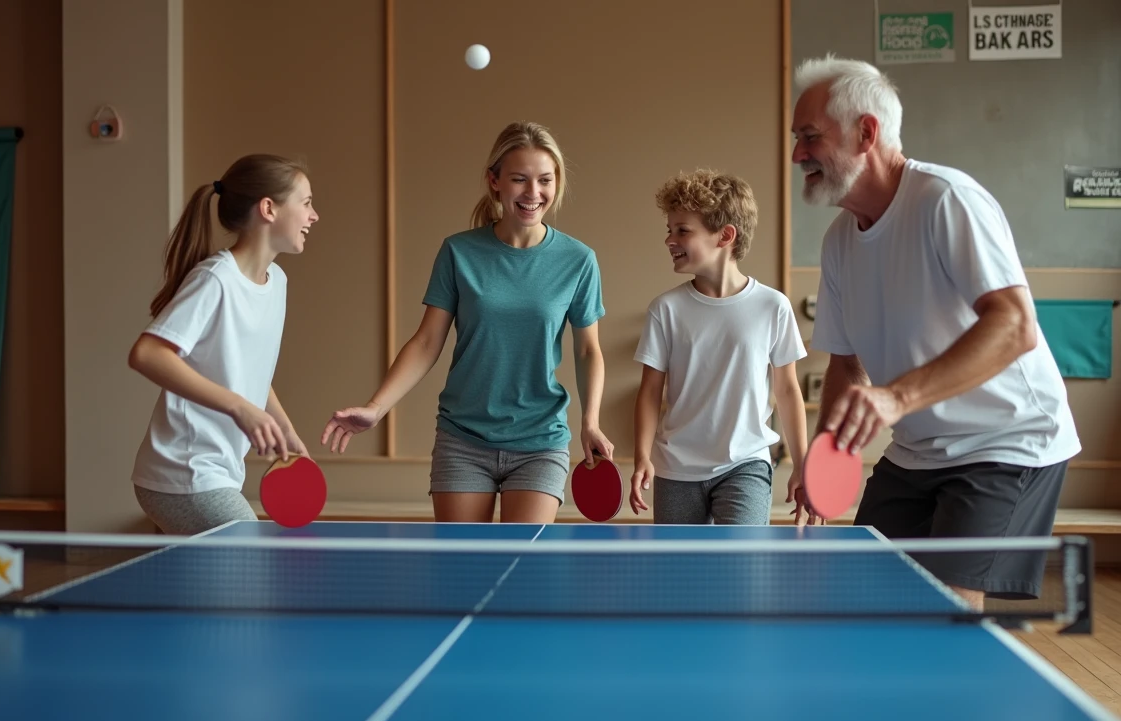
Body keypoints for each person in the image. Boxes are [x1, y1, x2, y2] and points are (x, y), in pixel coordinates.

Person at [791, 54, 1081, 609]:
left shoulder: (945, 200)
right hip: (916, 451)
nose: (797, 154)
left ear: (866, 132)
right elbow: (846, 366)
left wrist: (897, 397)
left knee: (944, 608)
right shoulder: (838, 242)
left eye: (810, 136)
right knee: (866, 594)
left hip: (1007, 440)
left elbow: (1015, 325)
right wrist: (825, 451)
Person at [321, 121, 613, 524]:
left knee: (520, 565)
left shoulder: (578, 260)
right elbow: (426, 342)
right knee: (463, 569)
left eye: (545, 180)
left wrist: (591, 422)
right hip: (462, 440)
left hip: (540, 440)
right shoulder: (458, 252)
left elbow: (587, 350)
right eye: (519, 179)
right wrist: (376, 407)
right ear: (495, 182)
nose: (533, 193)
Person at [128, 154, 319, 535]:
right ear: (268, 208)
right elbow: (146, 354)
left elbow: (250, 370)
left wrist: (284, 427)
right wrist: (240, 409)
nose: (314, 216)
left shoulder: (276, 281)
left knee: (221, 587)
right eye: (307, 202)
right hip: (183, 471)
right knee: (250, 563)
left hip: (219, 470)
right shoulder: (216, 279)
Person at [629, 168, 812, 526]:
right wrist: (641, 457)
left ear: (725, 236)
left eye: (683, 230)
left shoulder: (773, 307)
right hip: (676, 469)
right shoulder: (665, 310)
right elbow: (650, 392)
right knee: (681, 575)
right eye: (670, 229)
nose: (670, 239)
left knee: (740, 568)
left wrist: (803, 463)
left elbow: (788, 390)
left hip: (746, 463)